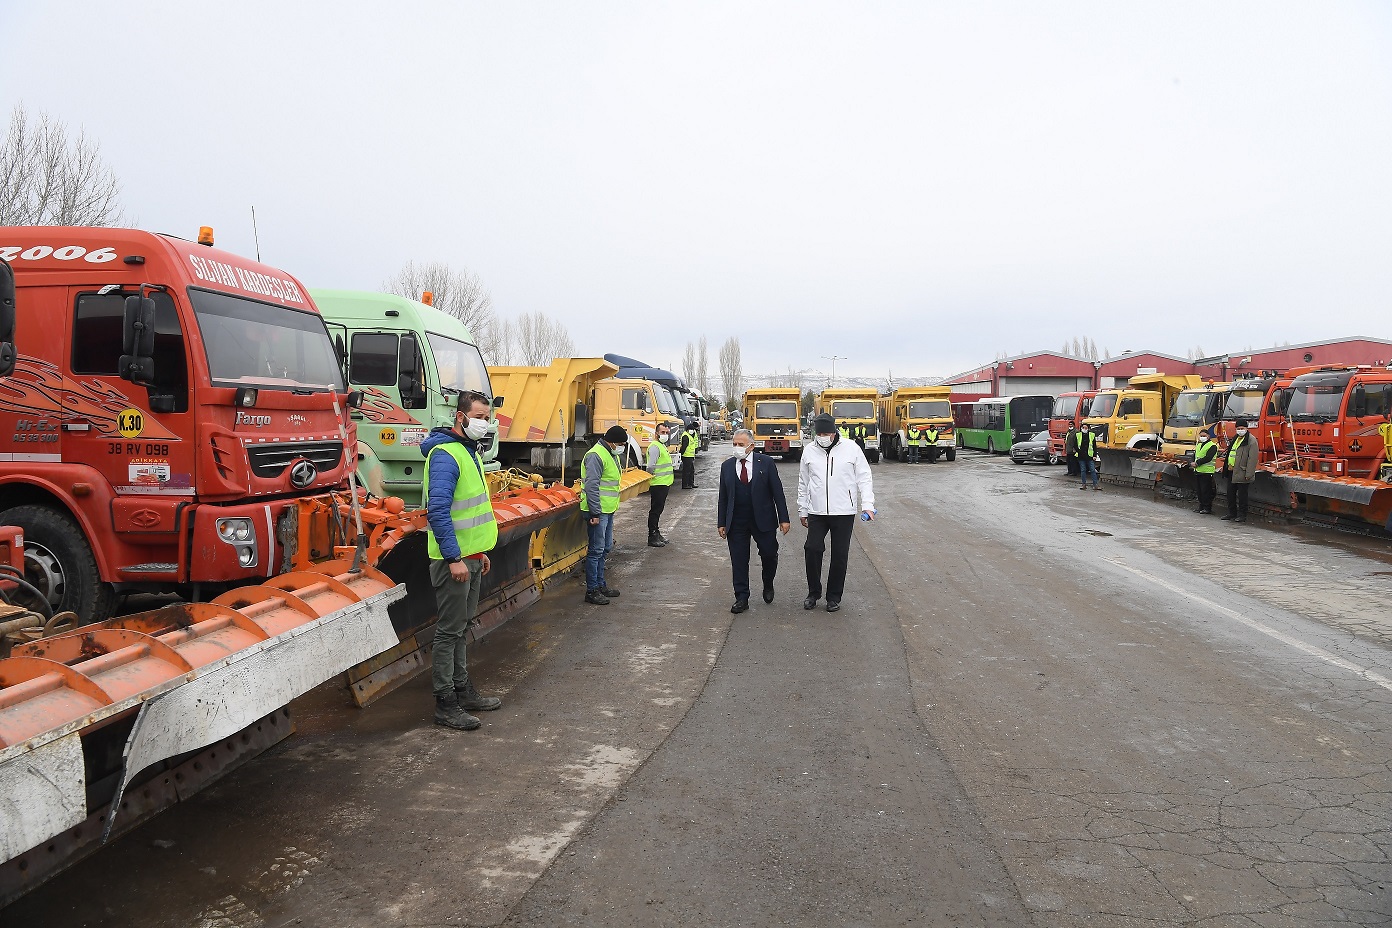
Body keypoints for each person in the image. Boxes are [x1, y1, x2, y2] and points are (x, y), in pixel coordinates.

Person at [421, 391, 503, 731]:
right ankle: (445, 703)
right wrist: (454, 558)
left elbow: (469, 511)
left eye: (488, 417)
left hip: (470, 558)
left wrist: (478, 552)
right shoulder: (446, 455)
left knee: (462, 627)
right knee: (449, 631)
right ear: (461, 417)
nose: (485, 423)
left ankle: (461, 689)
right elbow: (438, 511)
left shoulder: (469, 453)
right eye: (480, 416)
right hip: (453, 561)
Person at [797, 412, 875, 613]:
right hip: (817, 511)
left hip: (843, 511)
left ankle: (833, 597)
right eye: (819, 432)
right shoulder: (809, 450)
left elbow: (864, 478)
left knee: (839, 555)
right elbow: (803, 482)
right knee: (812, 549)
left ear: (834, 432)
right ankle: (813, 593)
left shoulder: (851, 449)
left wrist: (867, 504)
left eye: (826, 432)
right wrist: (803, 509)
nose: (822, 436)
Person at [718, 429, 792, 613]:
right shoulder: (727, 466)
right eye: (734, 444)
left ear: (751, 446)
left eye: (741, 444)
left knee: (769, 553)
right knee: (739, 559)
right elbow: (723, 497)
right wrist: (721, 522)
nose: (737, 448)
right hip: (736, 520)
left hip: (763, 518)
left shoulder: (765, 463)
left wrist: (784, 518)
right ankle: (741, 597)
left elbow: (777, 492)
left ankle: (768, 582)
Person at [582, 426, 627, 604]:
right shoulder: (596, 455)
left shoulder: (610, 453)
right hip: (597, 511)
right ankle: (592, 590)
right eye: (621, 443)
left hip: (607, 510)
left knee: (605, 547)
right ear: (612, 441)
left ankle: (600, 584)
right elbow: (591, 486)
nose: (622, 446)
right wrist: (594, 512)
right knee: (596, 550)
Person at [1221, 418, 1257, 523]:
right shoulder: (1236, 438)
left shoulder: (1251, 440)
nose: (1240, 430)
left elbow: (1252, 458)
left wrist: (1249, 474)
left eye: (1242, 428)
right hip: (1232, 470)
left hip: (1243, 472)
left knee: (1242, 496)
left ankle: (1242, 515)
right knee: (1230, 494)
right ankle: (1231, 513)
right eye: (1238, 428)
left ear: (1246, 428)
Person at [646, 425, 675, 547]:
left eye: (667, 432)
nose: (665, 434)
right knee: (655, 510)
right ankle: (652, 536)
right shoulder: (654, 447)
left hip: (664, 482)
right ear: (656, 433)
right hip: (658, 483)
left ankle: (657, 533)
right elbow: (650, 466)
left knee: (659, 509)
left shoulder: (662, 445)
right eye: (662, 432)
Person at [1192, 428, 1218, 514]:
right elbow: (1195, 455)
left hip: (1207, 472)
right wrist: (1192, 462)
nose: (1202, 437)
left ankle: (1207, 507)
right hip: (1198, 471)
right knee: (1199, 490)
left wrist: (1197, 463)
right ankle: (1201, 506)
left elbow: (1208, 458)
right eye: (1201, 436)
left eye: (1204, 436)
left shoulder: (1212, 446)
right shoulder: (1199, 445)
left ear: (1208, 436)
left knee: (1206, 490)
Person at [1074, 423, 1100, 490]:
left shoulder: (1091, 435)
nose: (1084, 429)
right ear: (1081, 428)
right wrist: (1079, 452)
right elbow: (1075, 445)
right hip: (1081, 456)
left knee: (1092, 470)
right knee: (1083, 470)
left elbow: (1094, 446)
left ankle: (1095, 485)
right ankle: (1084, 484)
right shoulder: (1078, 435)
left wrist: (1094, 455)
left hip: (1089, 456)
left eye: (1086, 428)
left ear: (1088, 428)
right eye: (1083, 428)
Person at [679, 422, 699, 489]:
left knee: (691, 470)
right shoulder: (686, 436)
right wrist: (682, 454)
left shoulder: (689, 435)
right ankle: (685, 485)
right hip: (686, 456)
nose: (692, 431)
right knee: (686, 471)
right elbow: (684, 447)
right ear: (688, 430)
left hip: (690, 456)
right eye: (691, 429)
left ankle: (691, 483)